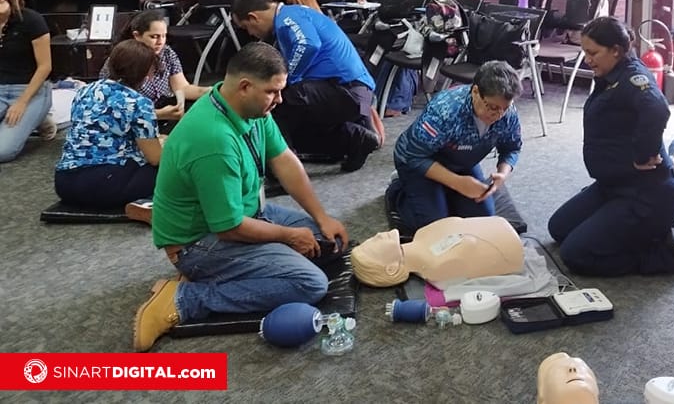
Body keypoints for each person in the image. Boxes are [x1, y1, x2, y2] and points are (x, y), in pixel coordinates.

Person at [133, 42, 349, 352]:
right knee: (309, 284)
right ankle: (186, 298)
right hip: (199, 242)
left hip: (248, 214)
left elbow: (285, 161)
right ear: (245, 86)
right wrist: (288, 236)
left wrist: (321, 217)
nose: (280, 99)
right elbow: (228, 227)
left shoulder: (250, 108)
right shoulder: (213, 140)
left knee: (326, 242)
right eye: (273, 92)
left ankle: (227, 272)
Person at [547, 17, 674, 276]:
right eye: (584, 51)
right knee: (559, 229)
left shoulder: (633, 77)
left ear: (616, 51)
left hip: (647, 196)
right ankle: (628, 230)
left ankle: (661, 251)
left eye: (593, 52)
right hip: (614, 184)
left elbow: (657, 109)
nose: (587, 58)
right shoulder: (611, 75)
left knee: (576, 255)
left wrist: (645, 153)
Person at [231, 0, 379, 172]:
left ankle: (282, 173)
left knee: (275, 102)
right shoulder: (295, 15)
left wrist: (284, 81)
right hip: (352, 93)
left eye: (247, 28)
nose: (251, 34)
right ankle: (356, 139)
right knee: (295, 126)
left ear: (254, 17)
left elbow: (307, 44)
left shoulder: (287, 19)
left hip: (346, 90)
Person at [390, 60, 523, 235]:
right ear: (475, 92)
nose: (498, 115)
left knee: (482, 217)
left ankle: (444, 193)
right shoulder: (445, 111)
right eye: (493, 107)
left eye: (504, 108)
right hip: (420, 161)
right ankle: (397, 189)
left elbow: (512, 147)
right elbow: (413, 156)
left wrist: (503, 173)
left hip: (460, 161)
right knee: (435, 226)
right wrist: (457, 183)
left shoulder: (507, 113)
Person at [270, 0, 385, 147]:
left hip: (340, 91)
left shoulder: (291, 23)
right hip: (361, 89)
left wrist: (288, 80)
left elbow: (305, 49)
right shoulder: (321, 21)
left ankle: (284, 155)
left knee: (282, 100)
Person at [54, 40, 162, 208]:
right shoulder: (139, 102)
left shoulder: (84, 91)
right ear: (144, 72)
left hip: (64, 183)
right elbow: (155, 158)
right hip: (104, 185)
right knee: (173, 167)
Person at [100, 9, 210, 133]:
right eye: (154, 37)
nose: (160, 42)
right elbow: (116, 109)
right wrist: (158, 114)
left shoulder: (167, 53)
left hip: (162, 111)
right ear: (137, 35)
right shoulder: (123, 59)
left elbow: (182, 88)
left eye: (164, 36)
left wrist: (212, 91)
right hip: (133, 119)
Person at [351, 216, 524, 287]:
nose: (378, 235)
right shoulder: (437, 268)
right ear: (392, 268)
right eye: (373, 245)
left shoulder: (421, 233)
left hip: (500, 227)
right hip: (512, 248)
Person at [0, 0, 52, 162]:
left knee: (2, 151)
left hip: (30, 89)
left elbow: (45, 66)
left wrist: (22, 102)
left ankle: (40, 116)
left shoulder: (31, 20)